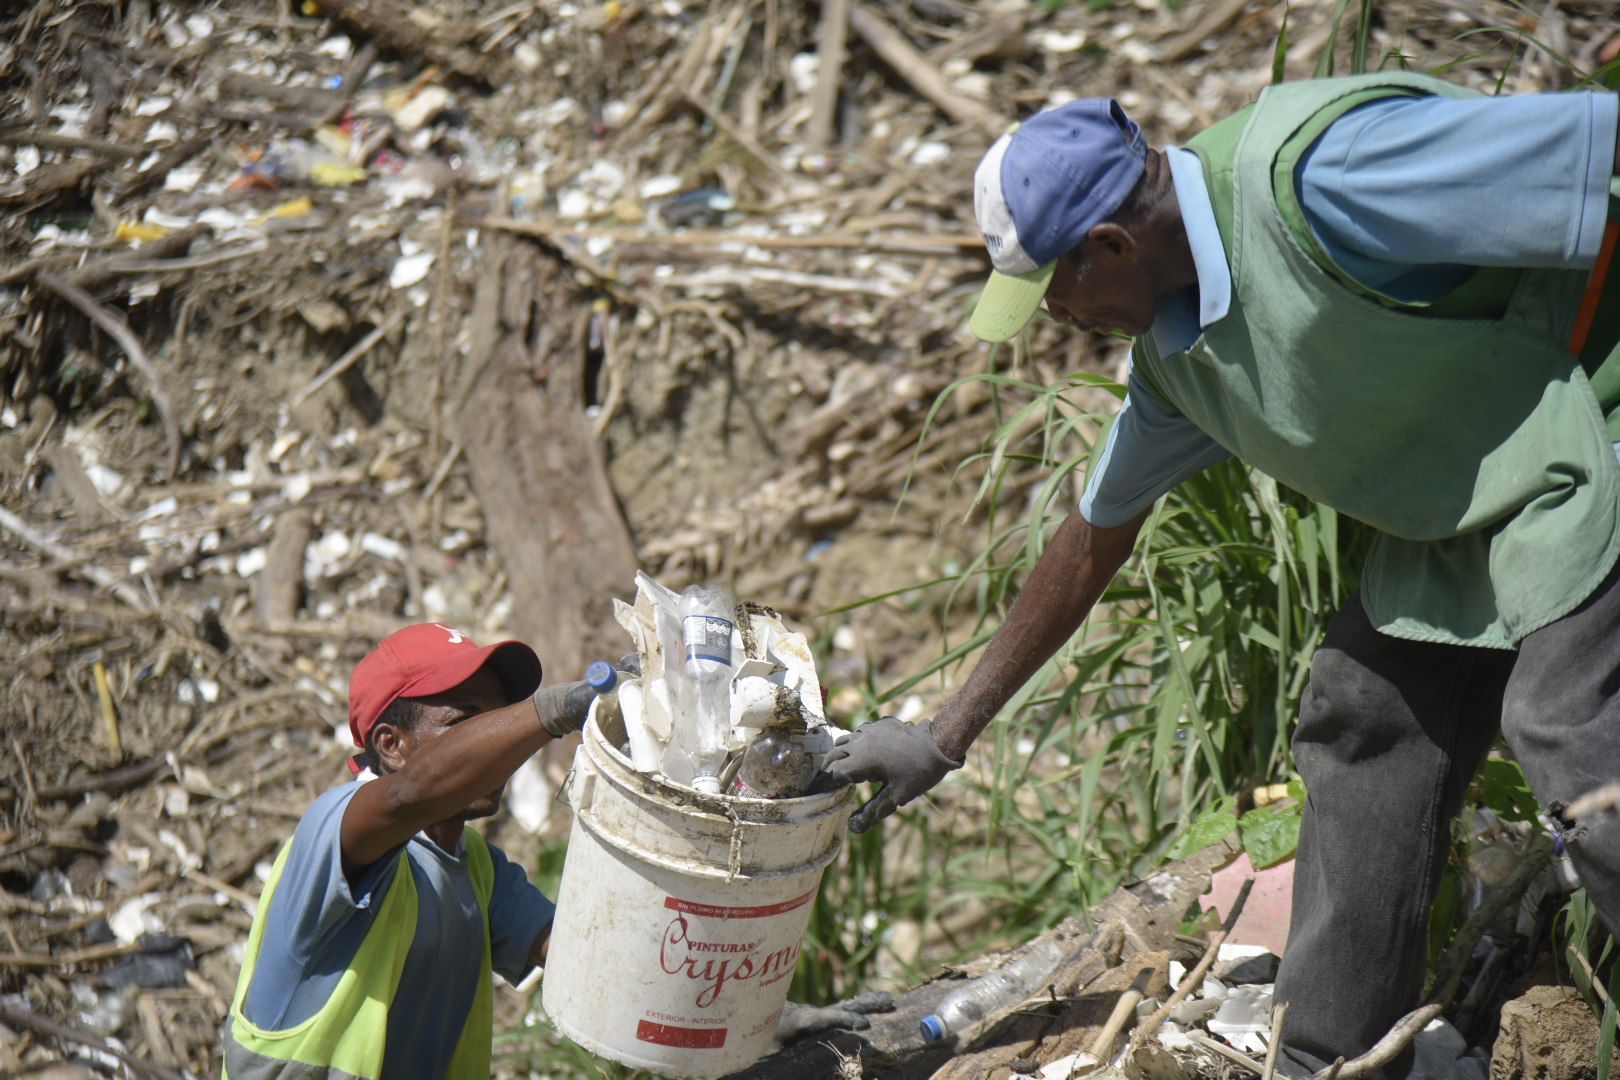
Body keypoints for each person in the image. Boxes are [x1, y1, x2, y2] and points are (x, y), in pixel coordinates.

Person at [823, 71, 1620, 1077]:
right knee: (1365, 713)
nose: (1058, 319)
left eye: (1054, 291)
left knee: (1568, 730)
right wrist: (945, 734)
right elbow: (1092, 537)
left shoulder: (1326, 179)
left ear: (1112, 244)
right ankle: (1323, 1053)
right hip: (1470, 498)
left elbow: (1597, 149)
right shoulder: (1176, 358)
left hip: (1589, 429)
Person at [222, 622, 598, 1079]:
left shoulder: (476, 867)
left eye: (498, 723)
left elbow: (580, 952)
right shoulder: (336, 830)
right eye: (466, 727)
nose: (496, 750)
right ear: (391, 746)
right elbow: (409, 796)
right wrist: (554, 711)